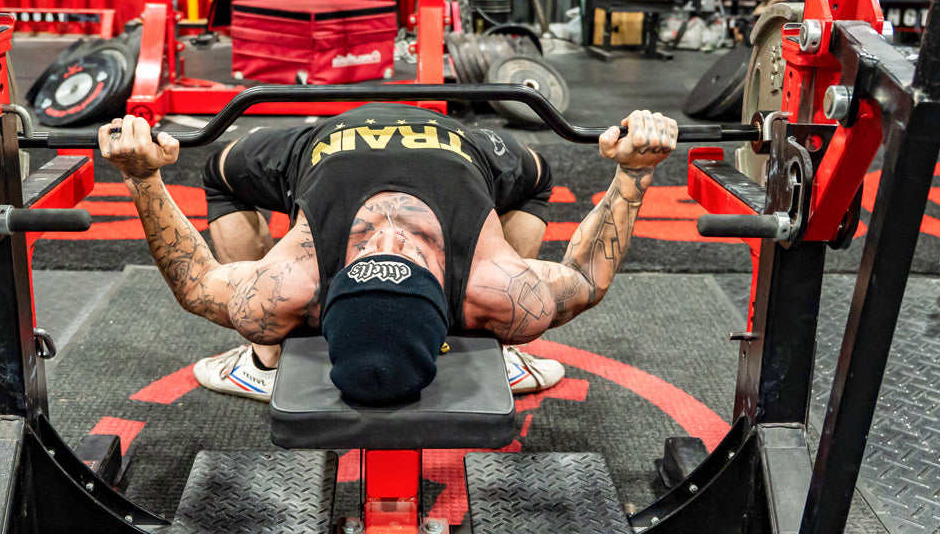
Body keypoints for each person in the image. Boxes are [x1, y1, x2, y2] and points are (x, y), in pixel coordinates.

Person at [99, 103, 677, 406]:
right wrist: (633, 171)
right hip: (452, 154)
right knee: (223, 174)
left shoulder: (287, 282)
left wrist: (143, 178)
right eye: (411, 255)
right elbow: (584, 276)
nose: (389, 236)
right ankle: (264, 359)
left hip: (339, 145)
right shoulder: (504, 289)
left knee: (222, 186)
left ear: (321, 302)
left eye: (370, 255)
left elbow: (198, 282)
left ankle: (261, 356)